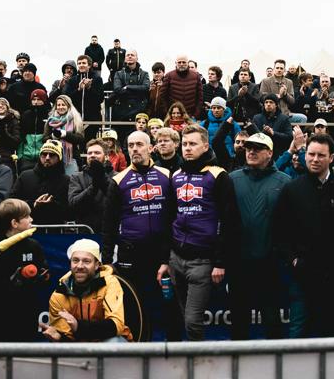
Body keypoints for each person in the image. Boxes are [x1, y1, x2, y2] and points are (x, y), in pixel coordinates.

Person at [102, 131, 176, 341]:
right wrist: (106, 261)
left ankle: (174, 351)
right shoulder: (118, 180)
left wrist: (167, 256)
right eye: (131, 145)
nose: (134, 149)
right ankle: (139, 351)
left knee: (170, 306)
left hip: (162, 254)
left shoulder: (167, 175)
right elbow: (109, 224)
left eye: (139, 145)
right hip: (131, 255)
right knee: (136, 308)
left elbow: (174, 216)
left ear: (151, 148)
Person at [165, 124, 237, 341]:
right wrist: (167, 257)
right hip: (176, 258)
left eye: (193, 144)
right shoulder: (176, 175)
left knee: (192, 321)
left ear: (205, 146)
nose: (187, 148)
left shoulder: (218, 175)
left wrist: (220, 262)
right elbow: (169, 216)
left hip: (202, 260)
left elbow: (229, 221)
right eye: (185, 144)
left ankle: (199, 360)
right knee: (180, 316)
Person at [274, 134, 334, 337]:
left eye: (321, 155)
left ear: (331, 158)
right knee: (298, 331)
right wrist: (293, 259)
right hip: (302, 275)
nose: (315, 159)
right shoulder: (292, 189)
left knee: (331, 332)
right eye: (311, 154)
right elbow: (279, 230)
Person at [226, 133, 291, 340]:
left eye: (258, 148)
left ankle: (275, 360)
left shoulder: (285, 181)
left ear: (270, 153)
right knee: (239, 320)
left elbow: (290, 224)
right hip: (239, 263)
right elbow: (224, 221)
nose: (251, 151)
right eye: (248, 147)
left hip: (270, 264)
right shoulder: (232, 179)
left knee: (272, 319)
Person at [0, 198, 51, 342]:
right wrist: (12, 281)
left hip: (26, 312)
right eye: (27, 216)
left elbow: (44, 272)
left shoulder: (33, 246)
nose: (31, 219)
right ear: (14, 223)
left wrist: (41, 276)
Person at [42, 238, 134, 342]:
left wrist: (79, 326)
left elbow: (116, 326)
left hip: (109, 342)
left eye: (86, 261)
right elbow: (69, 341)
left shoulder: (109, 283)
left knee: (114, 342)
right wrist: (60, 338)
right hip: (79, 348)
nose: (80, 266)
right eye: (75, 260)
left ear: (97, 265)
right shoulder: (59, 295)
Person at [9, 140, 71, 226]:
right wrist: (33, 204)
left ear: (59, 158)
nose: (47, 158)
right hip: (26, 228)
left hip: (55, 229)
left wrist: (52, 204)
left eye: (52, 155)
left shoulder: (66, 180)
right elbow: (12, 201)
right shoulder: (25, 176)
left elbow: (70, 211)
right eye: (44, 154)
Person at [67, 139, 113, 233]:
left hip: (110, 231)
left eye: (97, 153)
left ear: (106, 156)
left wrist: (102, 178)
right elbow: (73, 203)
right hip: (85, 231)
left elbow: (118, 201)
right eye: (89, 153)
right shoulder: (77, 177)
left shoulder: (117, 176)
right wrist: (94, 187)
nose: (92, 155)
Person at [63, 55, 104, 138]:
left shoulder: (97, 79)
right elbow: (67, 98)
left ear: (89, 65)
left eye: (84, 63)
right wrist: (79, 90)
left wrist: (89, 88)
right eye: (79, 63)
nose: (81, 65)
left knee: (90, 143)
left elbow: (100, 98)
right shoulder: (73, 80)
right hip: (75, 119)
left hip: (92, 120)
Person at [45, 94, 85, 176]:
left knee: (71, 181)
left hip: (71, 158)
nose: (60, 107)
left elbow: (80, 138)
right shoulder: (51, 120)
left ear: (68, 106)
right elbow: (44, 138)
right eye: (58, 105)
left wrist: (64, 134)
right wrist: (53, 137)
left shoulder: (75, 119)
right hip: (54, 157)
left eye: (63, 105)